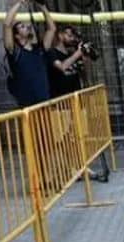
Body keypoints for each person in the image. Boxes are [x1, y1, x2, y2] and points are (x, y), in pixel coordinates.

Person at [47, 25, 109, 182]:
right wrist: (78, 53)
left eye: (74, 36)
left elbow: (84, 74)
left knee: (78, 137)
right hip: (61, 104)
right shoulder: (52, 53)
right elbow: (62, 67)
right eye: (69, 35)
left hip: (77, 102)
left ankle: (79, 167)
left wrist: (85, 56)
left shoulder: (73, 53)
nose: (72, 38)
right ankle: (69, 169)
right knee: (63, 140)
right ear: (60, 35)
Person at [3, 0, 55, 108]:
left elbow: (51, 29)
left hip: (45, 103)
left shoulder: (39, 49)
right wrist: (20, 2)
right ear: (17, 36)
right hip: (27, 107)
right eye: (22, 27)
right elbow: (7, 25)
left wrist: (42, 5)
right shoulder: (15, 52)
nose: (27, 27)